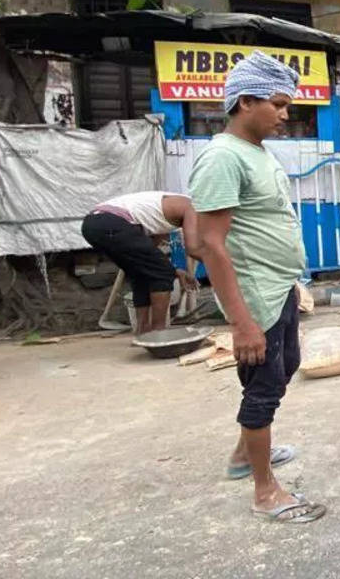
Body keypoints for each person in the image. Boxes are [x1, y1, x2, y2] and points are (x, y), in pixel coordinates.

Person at [187, 52, 325, 524]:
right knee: (263, 388)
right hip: (254, 297)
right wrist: (241, 323)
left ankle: (246, 455)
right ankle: (264, 489)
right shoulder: (223, 157)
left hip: (278, 286)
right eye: (279, 104)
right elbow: (210, 245)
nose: (286, 115)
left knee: (287, 368)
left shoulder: (255, 152)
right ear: (245, 101)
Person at [80, 191, 201, 335]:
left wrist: (174, 271)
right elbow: (193, 249)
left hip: (91, 225)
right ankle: (159, 333)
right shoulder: (192, 207)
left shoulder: (163, 213)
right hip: (111, 222)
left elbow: (149, 256)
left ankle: (142, 332)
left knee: (141, 275)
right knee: (162, 274)